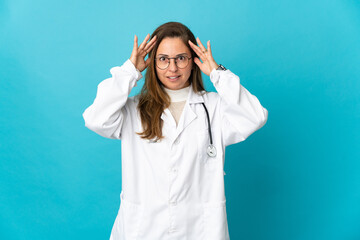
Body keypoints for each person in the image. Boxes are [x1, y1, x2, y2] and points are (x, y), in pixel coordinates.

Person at [82, 21, 268, 240]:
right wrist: (129, 71)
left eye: (181, 58)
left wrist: (218, 73)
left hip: (199, 231)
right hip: (143, 230)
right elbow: (96, 119)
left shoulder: (214, 108)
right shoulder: (133, 109)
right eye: (163, 59)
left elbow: (255, 117)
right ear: (152, 63)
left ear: (193, 61)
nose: (173, 68)